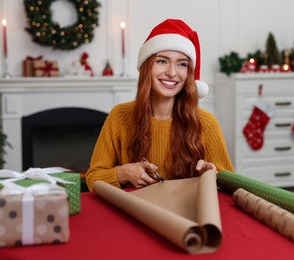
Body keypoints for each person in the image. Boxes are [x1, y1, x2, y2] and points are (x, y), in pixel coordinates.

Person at [85, 19, 234, 190]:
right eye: (162, 61)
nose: (172, 72)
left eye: (182, 64)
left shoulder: (206, 123)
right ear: (147, 67)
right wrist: (123, 173)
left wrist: (212, 177)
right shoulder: (119, 116)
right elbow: (92, 179)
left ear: (189, 73)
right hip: (132, 211)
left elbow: (230, 186)